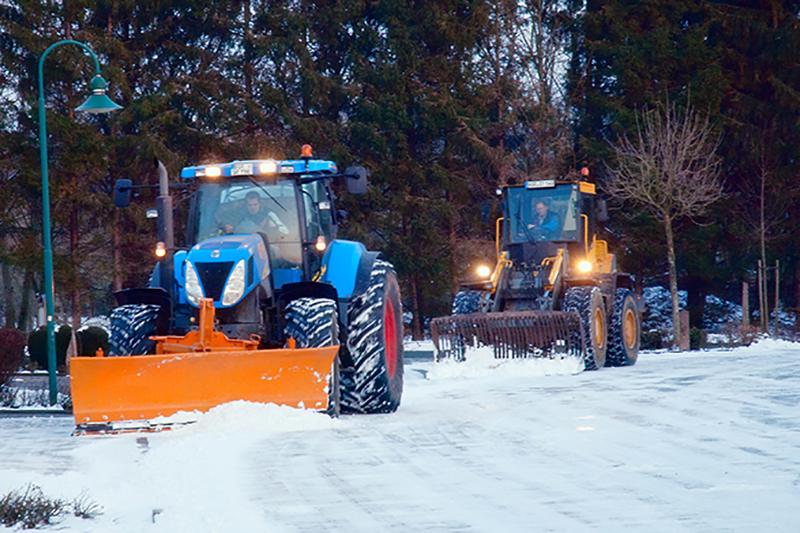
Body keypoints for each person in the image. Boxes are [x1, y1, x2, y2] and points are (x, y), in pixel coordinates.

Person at [223, 191, 288, 235]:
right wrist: (229, 228)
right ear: (246, 205)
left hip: (266, 245)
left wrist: (274, 228)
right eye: (250, 205)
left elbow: (285, 231)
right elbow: (232, 228)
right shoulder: (240, 215)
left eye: (255, 204)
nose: (253, 208)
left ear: (259, 204)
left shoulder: (269, 214)